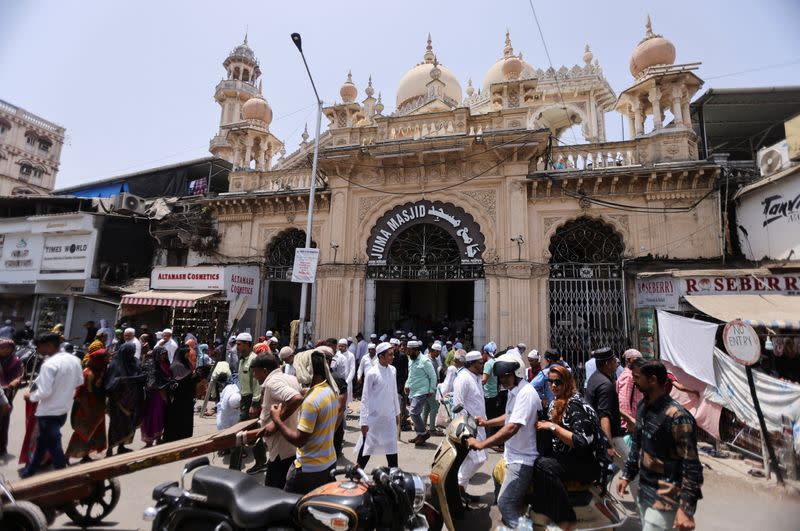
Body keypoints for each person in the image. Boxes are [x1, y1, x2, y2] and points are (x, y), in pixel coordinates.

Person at [618, 361, 703, 531]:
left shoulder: (678, 416)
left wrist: (686, 508)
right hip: (645, 493)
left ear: (652, 380)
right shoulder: (643, 406)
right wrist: (627, 474)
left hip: (667, 497)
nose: (633, 381)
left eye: (637, 377)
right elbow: (637, 444)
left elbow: (691, 465)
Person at [468, 355, 541, 528]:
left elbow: (512, 427)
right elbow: (509, 417)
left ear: (516, 373)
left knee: (505, 503)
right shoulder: (514, 391)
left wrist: (482, 444)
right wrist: (487, 422)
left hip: (523, 459)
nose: (503, 380)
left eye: (506, 375)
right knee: (496, 474)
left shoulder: (525, 394)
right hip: (512, 453)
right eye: (500, 377)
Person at [533, 364, 603, 531]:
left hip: (586, 462)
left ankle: (566, 519)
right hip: (570, 458)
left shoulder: (574, 404)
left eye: (558, 382)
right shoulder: (555, 403)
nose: (553, 386)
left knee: (544, 466)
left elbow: (581, 442)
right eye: (550, 382)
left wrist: (553, 427)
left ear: (568, 382)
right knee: (537, 461)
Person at [271, 348, 339, 494]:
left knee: (290, 510)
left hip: (309, 469)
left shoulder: (312, 401)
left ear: (307, 369)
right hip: (328, 463)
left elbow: (299, 440)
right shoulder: (329, 390)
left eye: (298, 369)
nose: (296, 373)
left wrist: (277, 420)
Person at [20, 333, 84, 478]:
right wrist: (63, 388)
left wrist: (30, 396)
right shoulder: (74, 360)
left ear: (49, 345)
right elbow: (79, 382)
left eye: (39, 346)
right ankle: (30, 471)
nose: (37, 349)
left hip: (48, 413)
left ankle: (64, 476)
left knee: (55, 446)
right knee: (41, 442)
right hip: (62, 411)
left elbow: (43, 392)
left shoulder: (49, 364)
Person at [253, 352, 303, 488]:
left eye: (255, 372)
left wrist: (275, 423)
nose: (254, 376)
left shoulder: (272, 383)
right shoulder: (290, 378)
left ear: (264, 370)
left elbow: (296, 398)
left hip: (280, 452)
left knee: (273, 493)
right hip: (290, 448)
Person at [358, 342, 400, 469]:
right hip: (374, 418)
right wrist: (363, 421)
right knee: (367, 447)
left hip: (389, 417)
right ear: (381, 356)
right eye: (390, 355)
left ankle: (394, 475)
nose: (393, 357)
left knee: (392, 448)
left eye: (393, 354)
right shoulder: (372, 373)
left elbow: (394, 392)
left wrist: (397, 413)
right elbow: (365, 398)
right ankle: (356, 474)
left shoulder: (393, 370)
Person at [452, 350, 487, 502]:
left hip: (480, 426)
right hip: (469, 428)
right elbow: (457, 405)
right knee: (476, 459)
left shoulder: (477, 377)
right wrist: (464, 430)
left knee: (478, 458)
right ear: (471, 364)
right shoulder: (463, 378)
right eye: (480, 363)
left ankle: (460, 492)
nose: (483, 365)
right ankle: (458, 486)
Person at [66, 348, 109, 462]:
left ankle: (86, 455)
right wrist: (87, 411)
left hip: (97, 407)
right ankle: (66, 456)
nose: (107, 361)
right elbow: (81, 395)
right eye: (105, 359)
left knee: (93, 432)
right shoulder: (88, 374)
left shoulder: (100, 371)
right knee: (82, 432)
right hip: (86, 408)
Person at [584, 347, 625, 466]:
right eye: (613, 361)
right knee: (631, 471)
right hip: (611, 436)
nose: (616, 364)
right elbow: (604, 415)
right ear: (607, 363)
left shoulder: (595, 378)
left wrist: (628, 418)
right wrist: (608, 444)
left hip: (600, 435)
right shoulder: (605, 385)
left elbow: (609, 407)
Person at [104, 343, 143, 456]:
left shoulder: (134, 362)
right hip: (118, 401)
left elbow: (139, 373)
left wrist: (139, 378)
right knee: (115, 424)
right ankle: (110, 448)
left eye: (133, 351)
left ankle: (122, 446)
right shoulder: (115, 364)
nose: (132, 354)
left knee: (128, 424)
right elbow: (110, 383)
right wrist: (127, 379)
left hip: (132, 399)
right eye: (130, 352)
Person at [405, 340, 437, 446]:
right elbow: (410, 375)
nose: (408, 353)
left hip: (422, 391)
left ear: (416, 350)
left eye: (409, 351)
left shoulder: (425, 361)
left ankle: (424, 433)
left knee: (413, 412)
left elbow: (433, 376)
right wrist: (407, 384)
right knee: (416, 413)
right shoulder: (411, 360)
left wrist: (431, 389)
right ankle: (419, 434)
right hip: (412, 391)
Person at [163, 346, 197, 442]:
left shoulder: (187, 363)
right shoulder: (176, 366)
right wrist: (189, 377)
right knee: (176, 418)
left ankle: (185, 435)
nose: (188, 355)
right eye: (186, 353)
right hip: (178, 398)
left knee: (186, 417)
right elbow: (177, 381)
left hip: (187, 396)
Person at [141, 346, 171, 447]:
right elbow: (150, 381)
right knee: (151, 416)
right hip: (153, 395)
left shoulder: (164, 364)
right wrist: (161, 390)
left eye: (164, 355)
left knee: (159, 416)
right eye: (162, 355)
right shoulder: (150, 365)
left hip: (162, 395)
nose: (163, 357)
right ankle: (149, 440)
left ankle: (158, 437)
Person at [0, 338, 23, 455]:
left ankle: (1, 447)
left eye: (7, 348)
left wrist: (15, 381)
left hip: (6, 394)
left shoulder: (16, 361)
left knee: (3, 422)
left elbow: (20, 375)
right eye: (2, 347)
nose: (4, 350)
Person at [617, 351, 646, 433]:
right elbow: (624, 400)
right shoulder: (629, 376)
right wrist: (628, 422)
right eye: (637, 359)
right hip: (630, 423)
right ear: (629, 360)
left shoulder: (632, 374)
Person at [421, 341, 442, 435]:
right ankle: (432, 429)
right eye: (438, 352)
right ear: (433, 351)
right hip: (428, 388)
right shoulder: (427, 360)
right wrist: (430, 389)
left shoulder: (434, 360)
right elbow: (427, 375)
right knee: (435, 407)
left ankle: (422, 427)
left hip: (431, 387)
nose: (439, 354)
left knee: (426, 408)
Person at [482, 343, 499, 437]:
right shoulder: (495, 362)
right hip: (495, 393)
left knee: (487, 417)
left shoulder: (488, 364)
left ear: (485, 353)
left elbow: (484, 380)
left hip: (487, 394)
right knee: (492, 416)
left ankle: (488, 436)